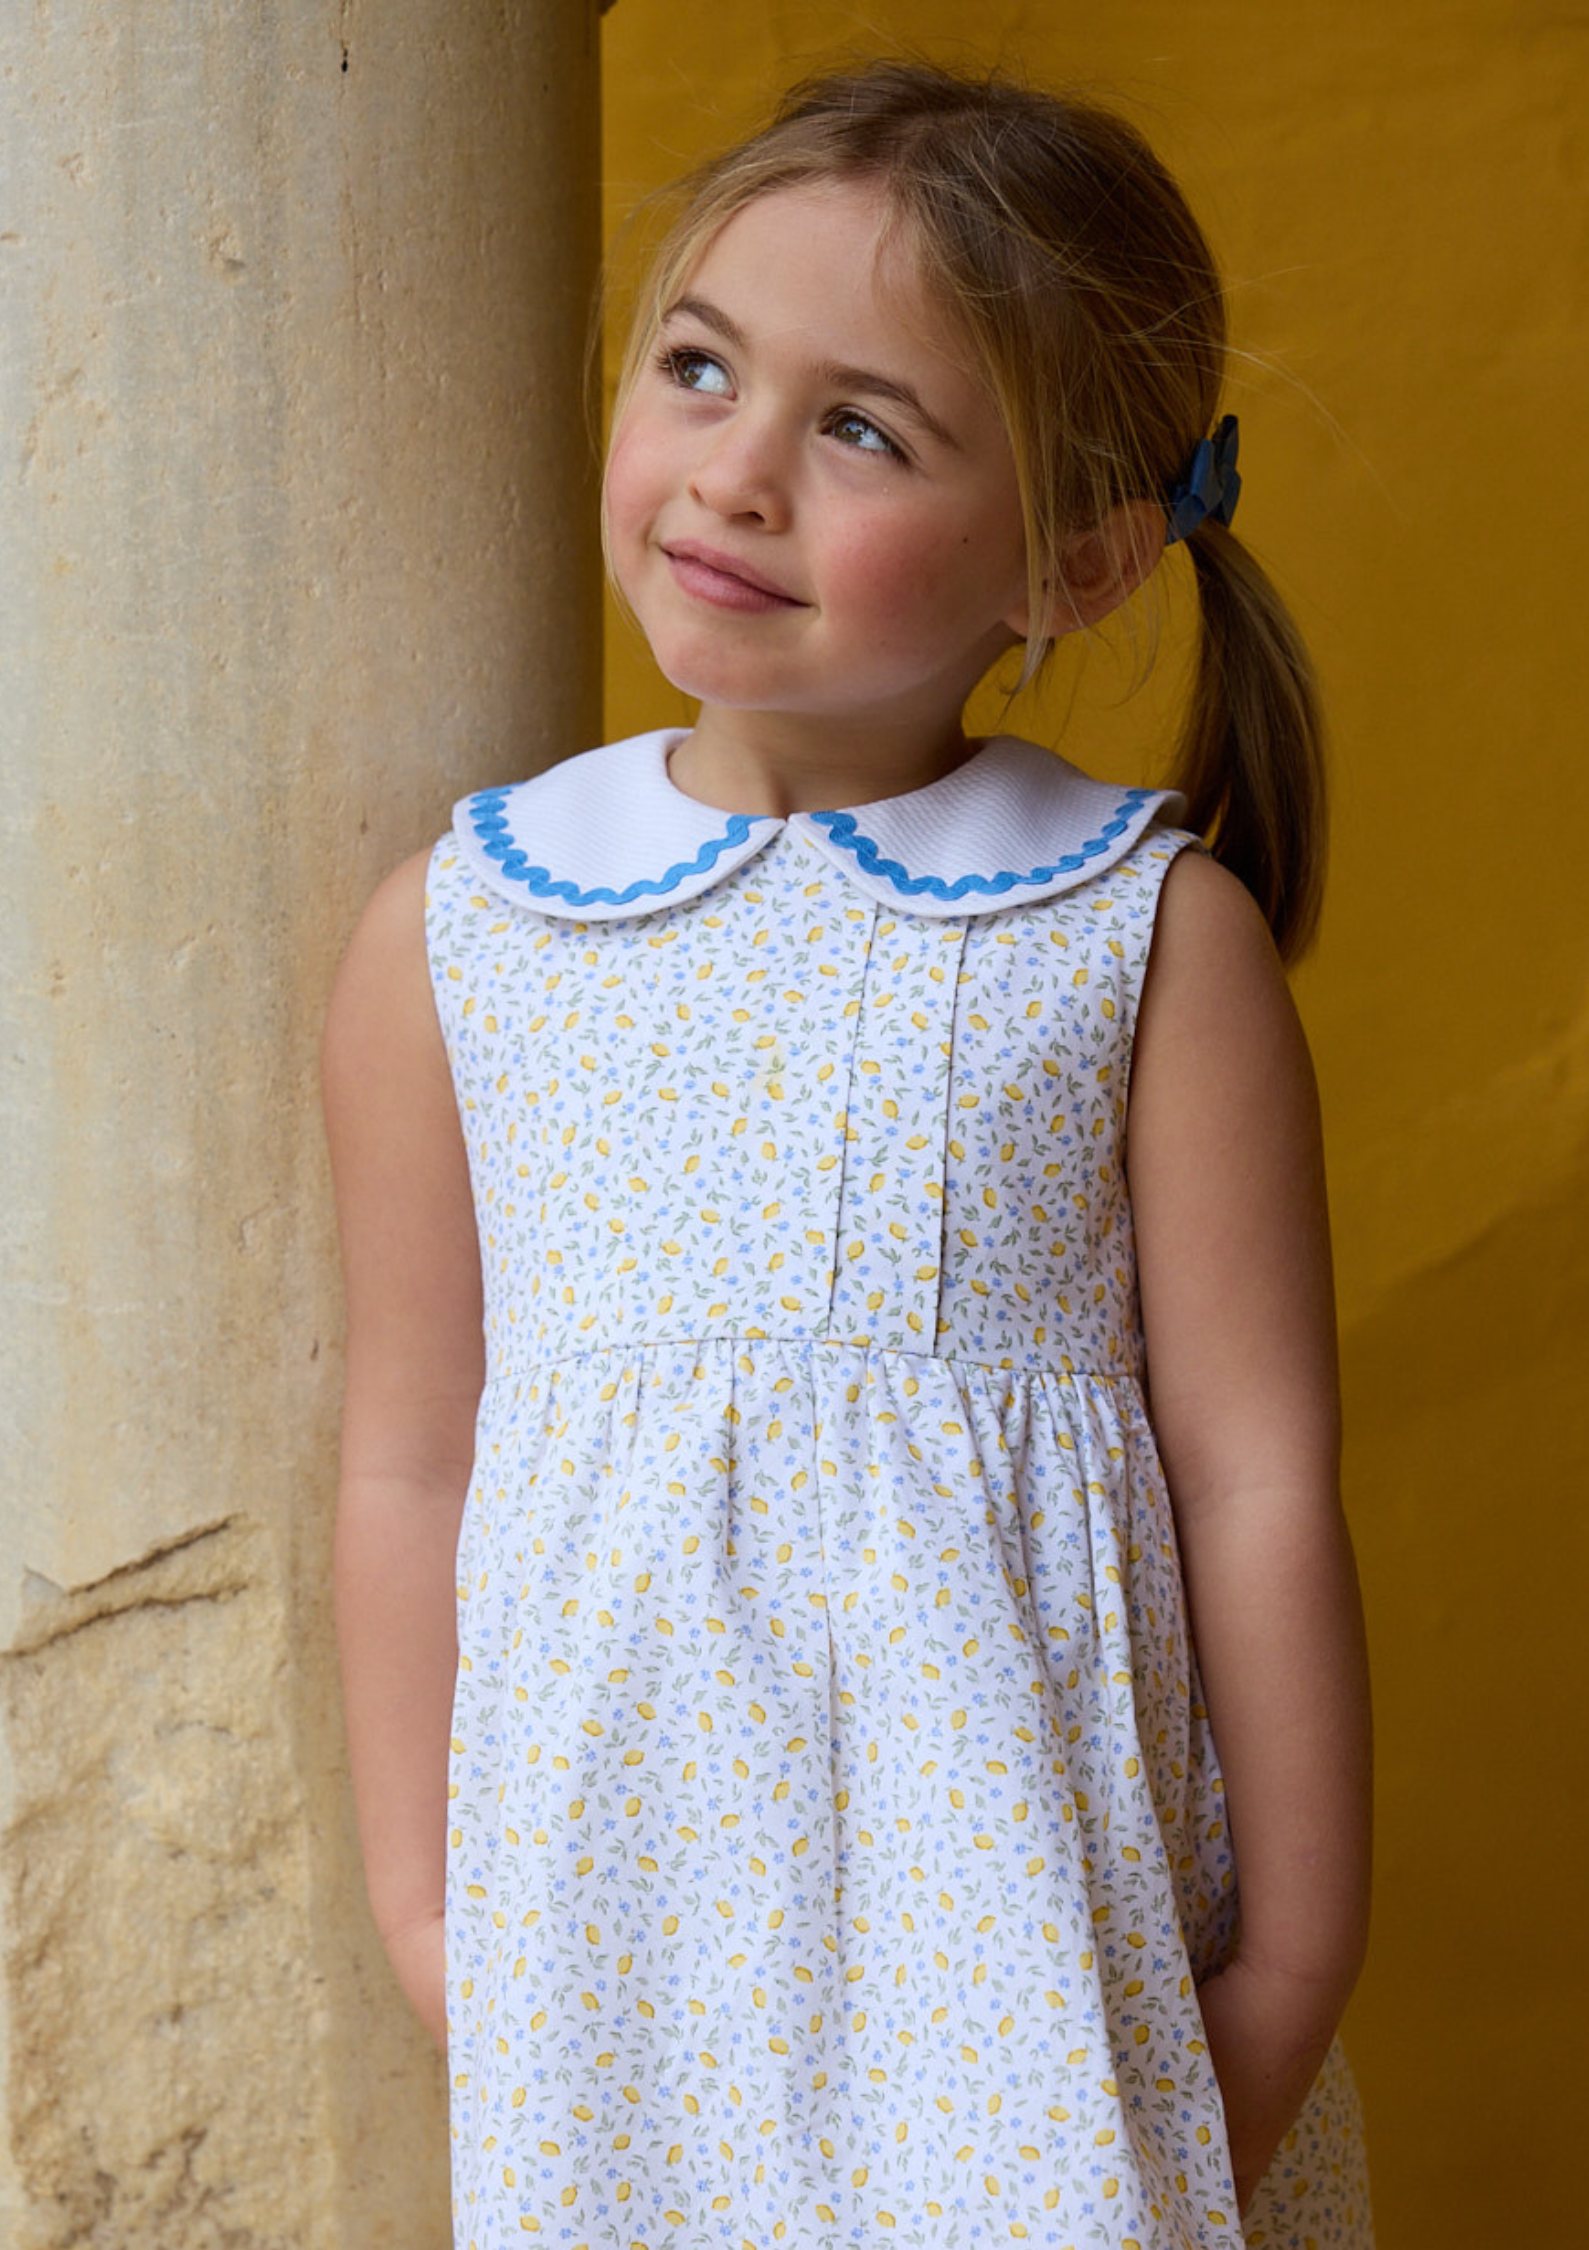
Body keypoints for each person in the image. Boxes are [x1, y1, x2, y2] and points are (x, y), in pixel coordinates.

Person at [323, 56, 1375, 2250]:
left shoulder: (1133, 936)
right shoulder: (466, 930)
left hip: (1034, 1969)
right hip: (618, 1975)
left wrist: (1288, 1960)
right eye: (700, 368)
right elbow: (414, 1457)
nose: (736, 473)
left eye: (864, 429)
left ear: (1078, 555)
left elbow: (1258, 1476)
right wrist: (432, 1920)